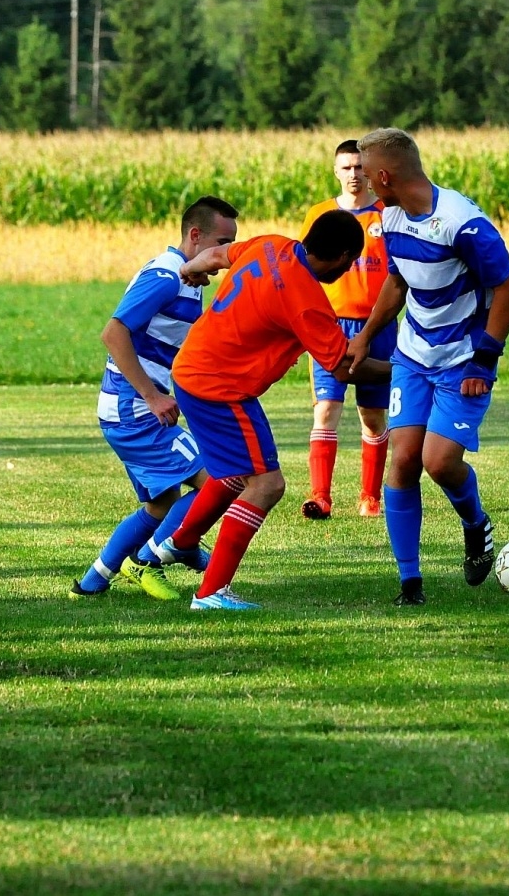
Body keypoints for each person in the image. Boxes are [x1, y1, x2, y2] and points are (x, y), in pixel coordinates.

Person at [161, 210, 372, 610]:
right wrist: (410, 370)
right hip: (220, 388)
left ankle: (181, 543)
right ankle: (210, 594)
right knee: (267, 484)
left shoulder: (270, 244)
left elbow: (215, 258)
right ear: (345, 257)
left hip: (190, 371)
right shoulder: (307, 300)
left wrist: (189, 269)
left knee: (234, 473)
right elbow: (343, 367)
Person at [347, 128, 509, 607]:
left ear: (383, 176)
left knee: (439, 462)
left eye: (365, 172)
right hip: (412, 356)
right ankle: (411, 583)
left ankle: (476, 523)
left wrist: (484, 361)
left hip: (463, 360)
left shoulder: (463, 223)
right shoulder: (391, 215)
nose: (360, 180)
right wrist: (363, 337)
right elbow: (397, 280)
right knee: (402, 460)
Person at [69, 196, 239, 601]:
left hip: (129, 411)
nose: (225, 254)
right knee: (218, 478)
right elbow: (113, 334)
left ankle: (91, 584)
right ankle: (150, 558)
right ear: (195, 236)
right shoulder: (164, 278)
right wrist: (153, 395)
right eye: (221, 243)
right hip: (135, 411)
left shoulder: (181, 277)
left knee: (162, 504)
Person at [301, 140, 394, 521]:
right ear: (336, 172)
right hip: (331, 326)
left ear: (369, 172)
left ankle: (370, 497)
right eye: (346, 168)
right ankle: (320, 497)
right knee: (326, 410)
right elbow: (303, 270)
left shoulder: (387, 215)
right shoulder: (319, 215)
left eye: (359, 167)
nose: (354, 175)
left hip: (378, 327)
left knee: (372, 416)